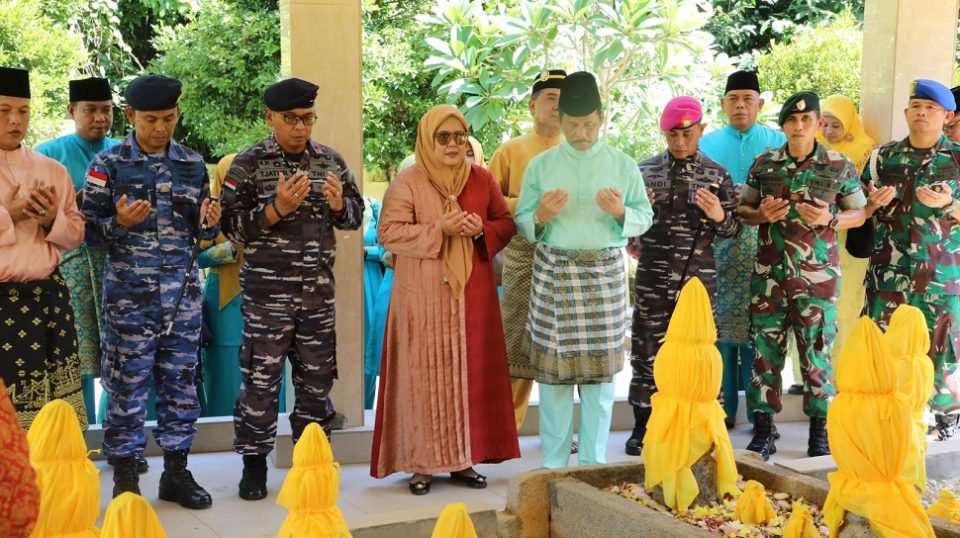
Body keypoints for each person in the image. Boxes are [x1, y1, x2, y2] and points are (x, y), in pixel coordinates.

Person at [221, 78, 363, 501]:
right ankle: (254, 467)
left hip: (317, 298)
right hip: (267, 299)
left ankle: (312, 465)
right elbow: (228, 227)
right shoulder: (247, 165)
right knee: (260, 385)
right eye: (291, 119)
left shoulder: (331, 162)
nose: (301, 128)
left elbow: (355, 218)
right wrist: (275, 210)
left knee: (316, 387)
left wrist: (340, 206)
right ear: (270, 118)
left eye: (307, 118)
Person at [82, 74, 220, 508]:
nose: (161, 128)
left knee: (181, 388)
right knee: (126, 391)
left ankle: (176, 474)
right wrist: (117, 224)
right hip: (130, 303)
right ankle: (126, 477)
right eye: (151, 119)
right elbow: (85, 232)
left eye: (169, 118)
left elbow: (203, 233)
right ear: (130, 116)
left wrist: (210, 223)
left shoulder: (193, 164)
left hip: (181, 301)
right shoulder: (107, 165)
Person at [370, 104, 519, 494]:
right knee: (423, 377)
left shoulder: (482, 180)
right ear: (427, 139)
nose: (454, 144)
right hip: (421, 298)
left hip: (473, 298)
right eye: (444, 137)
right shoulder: (409, 182)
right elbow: (389, 233)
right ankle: (421, 464)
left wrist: (477, 230)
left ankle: (464, 460)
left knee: (469, 377)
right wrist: (440, 228)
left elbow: (506, 225)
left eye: (460, 137)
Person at [516, 71, 653, 469]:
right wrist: (540, 216)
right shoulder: (541, 166)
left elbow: (644, 216)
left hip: (604, 275)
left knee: (598, 382)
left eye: (589, 124)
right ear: (559, 120)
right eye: (573, 124)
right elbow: (523, 220)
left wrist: (621, 212)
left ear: (602, 118)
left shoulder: (622, 164)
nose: (581, 132)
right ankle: (554, 467)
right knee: (554, 380)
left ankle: (593, 467)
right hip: (554, 274)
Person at [738, 91, 866, 460]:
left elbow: (859, 214)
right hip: (769, 279)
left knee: (817, 354)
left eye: (806, 120)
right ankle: (764, 430)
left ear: (818, 124)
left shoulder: (838, 164)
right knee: (764, 354)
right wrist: (762, 215)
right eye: (792, 121)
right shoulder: (764, 164)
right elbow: (743, 209)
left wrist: (831, 219)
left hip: (818, 280)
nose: (799, 126)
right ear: (783, 126)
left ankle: (820, 431)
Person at [625, 96, 741, 456]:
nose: (679, 142)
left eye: (686, 134)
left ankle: (703, 423)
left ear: (700, 130)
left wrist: (721, 216)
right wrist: (636, 217)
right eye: (672, 135)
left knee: (700, 351)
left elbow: (733, 230)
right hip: (653, 277)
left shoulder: (716, 173)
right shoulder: (644, 172)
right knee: (646, 348)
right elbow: (627, 230)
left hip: (698, 281)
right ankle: (642, 423)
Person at [861, 79, 960, 441]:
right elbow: (859, 212)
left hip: (941, 277)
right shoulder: (882, 157)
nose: (922, 113)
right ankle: (885, 418)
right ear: (906, 112)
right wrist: (870, 204)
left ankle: (946, 421)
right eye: (916, 106)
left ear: (946, 115)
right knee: (884, 350)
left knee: (943, 351)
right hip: (889, 276)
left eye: (931, 108)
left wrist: (949, 204)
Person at [0, 66, 86, 431]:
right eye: (4, 111)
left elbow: (75, 235)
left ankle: (51, 483)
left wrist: (52, 219)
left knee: (53, 415)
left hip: (47, 300)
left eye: (23, 110)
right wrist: (12, 214)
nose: (15, 120)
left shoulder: (51, 170)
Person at [699, 70, 786, 429]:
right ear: (722, 105)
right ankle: (723, 411)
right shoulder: (707, 143)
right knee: (720, 331)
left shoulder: (778, 140)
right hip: (719, 245)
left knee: (758, 330)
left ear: (760, 104)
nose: (740, 106)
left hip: (764, 246)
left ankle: (758, 411)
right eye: (733, 99)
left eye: (748, 99)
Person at [35, 77, 120, 426]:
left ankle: (118, 438)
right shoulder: (47, 156)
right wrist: (74, 204)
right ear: (72, 111)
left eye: (106, 110)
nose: (99, 118)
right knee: (76, 360)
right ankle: (77, 437)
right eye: (91, 110)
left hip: (117, 269)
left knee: (122, 358)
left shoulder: (124, 151)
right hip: (70, 270)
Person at [488, 69, 567, 435]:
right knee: (516, 343)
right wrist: (532, 204)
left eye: (563, 98)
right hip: (524, 258)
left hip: (567, 261)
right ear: (533, 104)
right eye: (550, 97)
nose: (557, 105)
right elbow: (487, 203)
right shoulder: (511, 150)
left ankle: (558, 432)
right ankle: (506, 429)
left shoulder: (579, 151)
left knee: (561, 348)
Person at [815, 94, 877, 363]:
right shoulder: (809, 152)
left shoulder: (866, 153)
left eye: (836, 125)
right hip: (817, 240)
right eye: (824, 124)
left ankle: (843, 368)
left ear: (849, 126)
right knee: (814, 306)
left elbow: (870, 202)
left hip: (851, 240)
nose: (829, 131)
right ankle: (808, 374)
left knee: (847, 305)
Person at [198, 154, 244, 417]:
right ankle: (220, 433)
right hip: (223, 302)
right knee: (225, 368)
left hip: (262, 301)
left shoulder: (268, 212)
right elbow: (196, 256)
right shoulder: (210, 211)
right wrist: (229, 250)